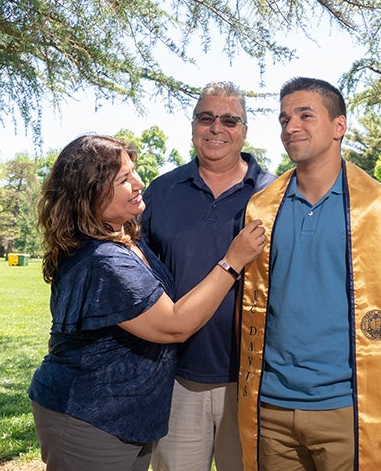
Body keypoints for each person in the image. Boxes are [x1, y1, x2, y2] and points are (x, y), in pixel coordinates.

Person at [27, 134, 267, 470]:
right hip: (90, 417)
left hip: (127, 419)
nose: (140, 183)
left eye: (134, 172)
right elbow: (174, 325)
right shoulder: (103, 259)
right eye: (124, 179)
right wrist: (232, 261)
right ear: (90, 193)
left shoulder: (124, 238)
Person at [237, 77, 381, 470]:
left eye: (305, 115)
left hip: (349, 410)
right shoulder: (261, 208)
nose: (290, 127)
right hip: (272, 408)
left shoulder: (380, 209)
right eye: (284, 119)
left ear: (339, 126)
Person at [140, 81, 276, 471]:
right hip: (175, 376)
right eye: (206, 118)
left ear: (245, 131)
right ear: (193, 126)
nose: (217, 128)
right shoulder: (161, 192)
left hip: (254, 378)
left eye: (229, 120)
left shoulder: (274, 194)